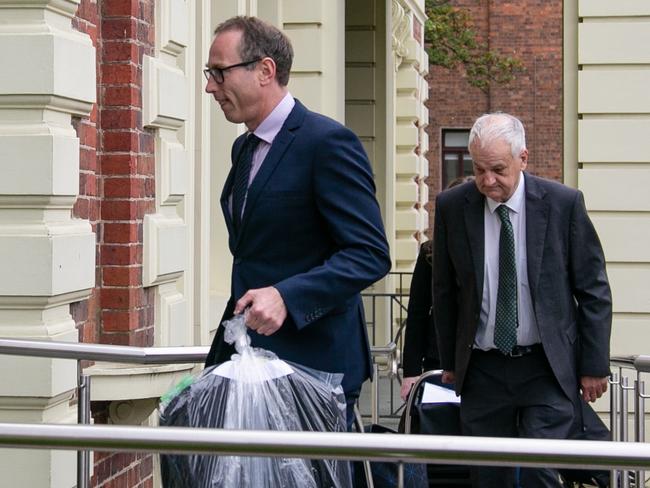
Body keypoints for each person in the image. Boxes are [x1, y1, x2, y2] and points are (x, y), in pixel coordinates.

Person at [202, 16, 391, 429]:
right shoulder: (243, 148)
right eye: (209, 73)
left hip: (315, 369)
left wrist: (288, 297)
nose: (210, 87)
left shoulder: (327, 143)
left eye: (219, 72)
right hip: (249, 363)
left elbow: (370, 254)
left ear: (265, 70)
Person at [433, 112, 612, 487]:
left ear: (523, 159)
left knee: (539, 470)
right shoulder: (453, 207)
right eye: (479, 169)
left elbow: (593, 289)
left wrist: (593, 365)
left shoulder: (563, 204)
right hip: (482, 369)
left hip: (544, 367)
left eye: (497, 169)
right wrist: (450, 361)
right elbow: (446, 292)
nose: (487, 181)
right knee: (487, 476)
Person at [400, 175, 475, 402]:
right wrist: (411, 371)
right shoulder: (429, 253)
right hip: (439, 359)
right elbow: (417, 313)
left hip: (481, 359)